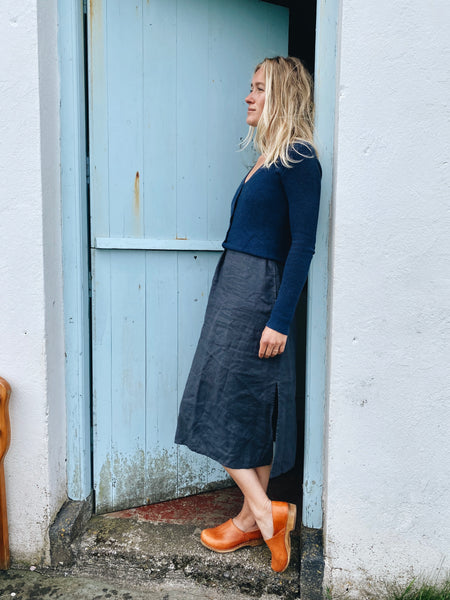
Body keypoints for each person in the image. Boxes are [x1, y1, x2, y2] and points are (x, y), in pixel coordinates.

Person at [175, 56, 321, 573]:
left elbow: (303, 244)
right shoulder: (265, 158)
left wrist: (279, 319)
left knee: (226, 399)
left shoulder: (300, 158)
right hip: (235, 286)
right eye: (251, 86)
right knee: (241, 403)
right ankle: (253, 517)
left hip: (258, 293)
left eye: (259, 88)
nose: (248, 95)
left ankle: (263, 511)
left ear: (282, 96)